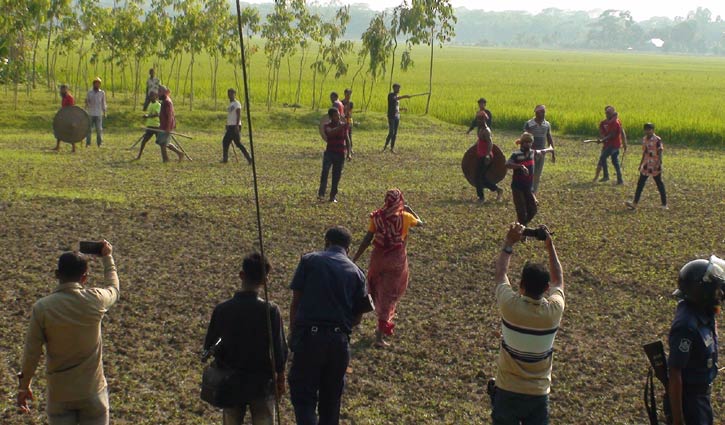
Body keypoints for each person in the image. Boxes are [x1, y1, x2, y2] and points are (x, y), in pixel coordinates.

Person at [17, 241, 119, 424]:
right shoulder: (95, 300)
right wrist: (107, 258)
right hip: (93, 392)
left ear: (57, 275)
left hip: (60, 396)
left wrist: (24, 387)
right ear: (85, 277)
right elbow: (114, 289)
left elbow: (32, 353)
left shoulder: (42, 308)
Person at [288, 226, 368, 425]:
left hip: (309, 338)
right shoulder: (357, 273)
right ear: (348, 248)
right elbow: (357, 318)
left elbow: (296, 302)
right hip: (339, 343)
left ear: (326, 242)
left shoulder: (310, 261)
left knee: (304, 396)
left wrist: (293, 332)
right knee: (331, 402)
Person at [491, 223, 564, 425]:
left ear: (521, 286)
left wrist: (509, 242)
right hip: (539, 394)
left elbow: (500, 274)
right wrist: (550, 247)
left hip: (507, 390)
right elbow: (559, 281)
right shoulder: (553, 312)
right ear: (546, 288)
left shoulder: (510, 306)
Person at [203, 253, 288, 425]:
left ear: (241, 275)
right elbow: (279, 350)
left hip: (230, 383)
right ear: (265, 281)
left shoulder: (222, 310)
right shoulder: (270, 310)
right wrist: (280, 377)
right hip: (262, 384)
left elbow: (209, 346)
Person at [351, 189, 423, 347]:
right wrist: (410, 210)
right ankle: (379, 335)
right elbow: (421, 223)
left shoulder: (376, 217)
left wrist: (354, 258)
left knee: (374, 288)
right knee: (389, 295)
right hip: (396, 261)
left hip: (378, 258)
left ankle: (355, 319)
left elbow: (367, 239)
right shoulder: (405, 217)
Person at [668, 256, 724, 425]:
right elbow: (675, 372)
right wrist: (678, 419)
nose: (720, 293)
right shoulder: (686, 326)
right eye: (716, 289)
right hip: (690, 402)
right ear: (702, 291)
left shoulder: (703, 312)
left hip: (701, 398)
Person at [506, 133, 554, 226]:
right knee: (521, 211)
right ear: (521, 143)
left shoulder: (532, 153)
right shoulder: (516, 155)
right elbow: (507, 164)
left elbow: (542, 151)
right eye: (526, 142)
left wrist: (550, 149)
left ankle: (521, 227)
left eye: (530, 142)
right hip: (517, 187)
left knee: (533, 210)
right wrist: (520, 166)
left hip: (528, 187)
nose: (528, 144)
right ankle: (522, 230)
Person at [625, 123, 668, 210]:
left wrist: (659, 163)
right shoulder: (644, 139)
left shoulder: (657, 140)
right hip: (647, 164)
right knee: (640, 184)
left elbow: (660, 152)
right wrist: (641, 164)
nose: (648, 131)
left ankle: (664, 204)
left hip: (655, 164)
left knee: (659, 183)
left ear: (653, 130)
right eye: (646, 130)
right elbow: (644, 152)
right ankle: (634, 203)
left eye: (649, 129)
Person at [470, 107, 504, 203]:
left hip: (485, 157)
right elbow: (480, 141)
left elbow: (490, 143)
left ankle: (481, 198)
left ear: (484, 119)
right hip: (480, 155)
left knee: (478, 177)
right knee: (481, 177)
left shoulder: (486, 130)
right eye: (478, 119)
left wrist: (488, 154)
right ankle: (497, 190)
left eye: (480, 119)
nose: (478, 121)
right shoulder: (480, 129)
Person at [317, 108, 350, 203]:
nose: (338, 117)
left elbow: (347, 139)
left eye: (339, 115)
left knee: (336, 175)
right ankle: (321, 194)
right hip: (330, 153)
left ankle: (333, 196)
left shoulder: (343, 126)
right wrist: (343, 126)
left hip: (340, 154)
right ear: (331, 117)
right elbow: (331, 133)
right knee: (325, 173)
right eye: (336, 115)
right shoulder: (326, 126)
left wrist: (349, 152)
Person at [524, 105, 556, 193]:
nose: (544, 114)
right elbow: (525, 139)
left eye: (544, 112)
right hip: (531, 153)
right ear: (537, 113)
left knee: (537, 174)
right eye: (542, 112)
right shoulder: (529, 124)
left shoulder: (547, 125)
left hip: (542, 153)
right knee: (529, 173)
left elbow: (549, 138)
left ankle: (533, 193)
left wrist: (553, 153)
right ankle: (527, 190)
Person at [596, 105, 627, 184]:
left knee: (603, 157)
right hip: (611, 144)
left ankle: (606, 176)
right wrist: (603, 139)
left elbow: (612, 135)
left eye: (608, 113)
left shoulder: (615, 122)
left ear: (612, 114)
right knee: (615, 161)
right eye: (606, 113)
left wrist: (603, 139)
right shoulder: (607, 122)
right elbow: (603, 132)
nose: (606, 114)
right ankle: (620, 179)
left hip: (613, 145)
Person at [221, 88, 252, 164]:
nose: (230, 95)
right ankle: (225, 158)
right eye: (229, 94)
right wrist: (227, 124)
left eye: (231, 94)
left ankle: (249, 158)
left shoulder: (236, 103)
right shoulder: (230, 104)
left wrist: (237, 125)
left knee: (237, 143)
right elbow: (230, 115)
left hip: (235, 126)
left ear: (234, 94)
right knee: (226, 142)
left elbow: (238, 115)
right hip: (230, 126)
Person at [157, 85, 184, 163]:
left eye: (160, 92)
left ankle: (166, 160)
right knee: (164, 142)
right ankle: (179, 153)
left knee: (163, 143)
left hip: (167, 126)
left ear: (164, 92)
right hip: (163, 125)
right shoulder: (164, 101)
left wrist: (168, 127)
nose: (158, 94)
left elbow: (170, 116)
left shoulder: (167, 102)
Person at [383, 83, 411, 153]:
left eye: (399, 88)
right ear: (394, 88)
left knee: (395, 133)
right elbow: (395, 99)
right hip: (391, 116)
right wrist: (405, 96)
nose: (399, 89)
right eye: (397, 88)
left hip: (397, 116)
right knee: (391, 132)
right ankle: (385, 146)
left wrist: (402, 109)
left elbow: (396, 107)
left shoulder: (397, 97)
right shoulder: (391, 95)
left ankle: (392, 148)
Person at [134, 90, 161, 160]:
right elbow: (150, 113)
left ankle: (174, 153)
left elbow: (156, 114)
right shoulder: (150, 104)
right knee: (144, 141)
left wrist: (147, 116)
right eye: (150, 96)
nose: (151, 97)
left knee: (161, 142)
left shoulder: (158, 105)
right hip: (150, 126)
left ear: (156, 96)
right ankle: (139, 156)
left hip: (156, 126)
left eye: (153, 96)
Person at [53, 84, 78, 152]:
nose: (62, 91)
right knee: (59, 130)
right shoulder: (63, 97)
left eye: (63, 89)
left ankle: (73, 148)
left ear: (66, 90)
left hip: (69, 116)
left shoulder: (69, 97)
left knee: (70, 132)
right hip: (63, 116)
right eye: (61, 89)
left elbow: (71, 108)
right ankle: (57, 146)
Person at [85, 77, 106, 148]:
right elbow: (87, 102)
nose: (97, 85)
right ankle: (88, 143)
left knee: (99, 129)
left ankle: (99, 143)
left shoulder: (102, 93)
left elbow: (103, 103)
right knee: (89, 129)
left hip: (99, 113)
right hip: (91, 113)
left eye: (98, 84)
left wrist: (104, 111)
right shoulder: (89, 92)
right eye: (96, 83)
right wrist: (87, 105)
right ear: (93, 84)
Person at [341, 88, 354, 156]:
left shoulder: (351, 103)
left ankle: (350, 148)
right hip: (343, 120)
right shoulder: (341, 102)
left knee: (349, 135)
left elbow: (349, 112)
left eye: (350, 94)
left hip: (349, 119)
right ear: (345, 94)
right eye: (347, 94)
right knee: (343, 135)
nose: (349, 95)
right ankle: (344, 148)